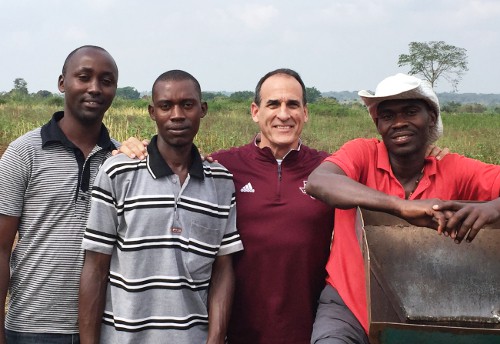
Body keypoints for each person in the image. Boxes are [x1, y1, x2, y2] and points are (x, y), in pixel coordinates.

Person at [305, 73, 500, 344]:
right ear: (378, 124)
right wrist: (401, 207)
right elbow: (319, 181)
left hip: (423, 311)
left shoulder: (454, 168)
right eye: (388, 116)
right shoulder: (362, 153)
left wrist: (494, 209)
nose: (399, 123)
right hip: (349, 306)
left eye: (410, 112)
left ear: (431, 117)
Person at [78, 70, 243, 344]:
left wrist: (214, 339)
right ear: (152, 112)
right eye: (166, 106)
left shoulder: (222, 182)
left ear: (202, 109)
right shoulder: (119, 172)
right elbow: (95, 266)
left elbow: (223, 269)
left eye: (187, 105)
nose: (177, 115)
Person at [0, 45, 119, 344]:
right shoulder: (24, 153)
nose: (94, 88)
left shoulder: (120, 161)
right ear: (62, 83)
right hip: (31, 326)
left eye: (106, 80)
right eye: (84, 77)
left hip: (101, 328)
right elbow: (0, 248)